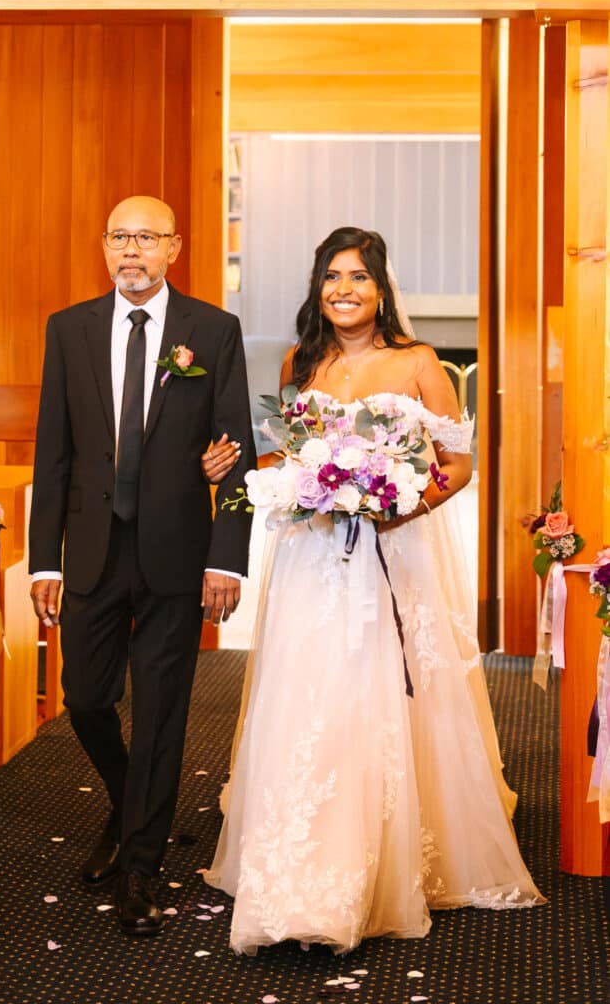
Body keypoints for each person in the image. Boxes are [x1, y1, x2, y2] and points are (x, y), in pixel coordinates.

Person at [202, 227, 543, 955]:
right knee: (308, 689)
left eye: (358, 276)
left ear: (382, 289)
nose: (343, 289)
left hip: (391, 551)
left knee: (382, 690)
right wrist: (273, 473)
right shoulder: (305, 361)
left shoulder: (417, 362)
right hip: (312, 557)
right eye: (331, 276)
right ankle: (299, 859)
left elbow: (457, 462)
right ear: (317, 288)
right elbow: (293, 451)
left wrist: (395, 507)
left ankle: (380, 860)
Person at [29, 195, 256, 936]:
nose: (132, 250)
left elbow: (236, 453)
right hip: (93, 549)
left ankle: (141, 869)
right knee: (84, 696)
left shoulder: (212, 332)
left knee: (162, 715)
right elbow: (53, 453)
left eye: (147, 238)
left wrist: (227, 559)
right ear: (104, 247)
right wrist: (43, 564)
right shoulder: (69, 330)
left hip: (176, 554)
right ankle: (131, 806)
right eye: (120, 237)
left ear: (174, 248)